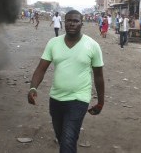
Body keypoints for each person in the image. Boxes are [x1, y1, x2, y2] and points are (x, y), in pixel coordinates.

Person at [27, 10, 104, 153]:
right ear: (64, 22)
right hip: (56, 98)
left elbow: (98, 76)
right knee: (62, 137)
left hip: (79, 99)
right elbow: (41, 69)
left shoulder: (92, 45)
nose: (71, 23)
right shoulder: (53, 43)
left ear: (82, 23)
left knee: (68, 140)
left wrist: (100, 102)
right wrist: (33, 88)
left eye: (75, 21)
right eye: (69, 20)